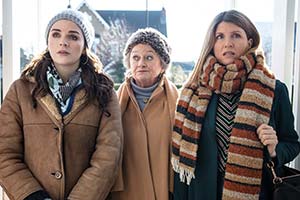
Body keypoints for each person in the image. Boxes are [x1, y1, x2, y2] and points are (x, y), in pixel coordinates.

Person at [172, 10, 300, 200]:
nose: (227, 43)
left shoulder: (274, 89)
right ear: (212, 44)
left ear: (250, 42)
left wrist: (274, 150)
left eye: (236, 35)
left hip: (257, 193)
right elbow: (181, 163)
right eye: (220, 37)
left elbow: (292, 144)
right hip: (202, 193)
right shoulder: (193, 92)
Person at [0, 9, 123, 200]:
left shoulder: (103, 92)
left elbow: (109, 155)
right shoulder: (20, 90)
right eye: (56, 34)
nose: (63, 41)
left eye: (73, 36)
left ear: (84, 47)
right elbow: (4, 151)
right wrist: (33, 196)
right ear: (47, 41)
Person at [110, 27, 178, 200]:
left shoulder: (178, 101)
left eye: (149, 57)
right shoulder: (113, 102)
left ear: (163, 64)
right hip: (125, 192)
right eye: (135, 57)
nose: (141, 63)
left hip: (165, 190)